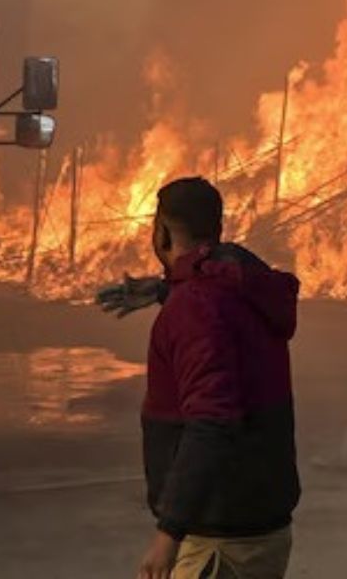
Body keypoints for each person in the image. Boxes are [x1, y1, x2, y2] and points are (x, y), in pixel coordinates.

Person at [137, 177, 301, 579]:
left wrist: (168, 533)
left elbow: (211, 420)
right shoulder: (237, 286)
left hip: (219, 538)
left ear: (161, 232)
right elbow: (219, 312)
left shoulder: (196, 308)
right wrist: (166, 290)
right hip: (256, 528)